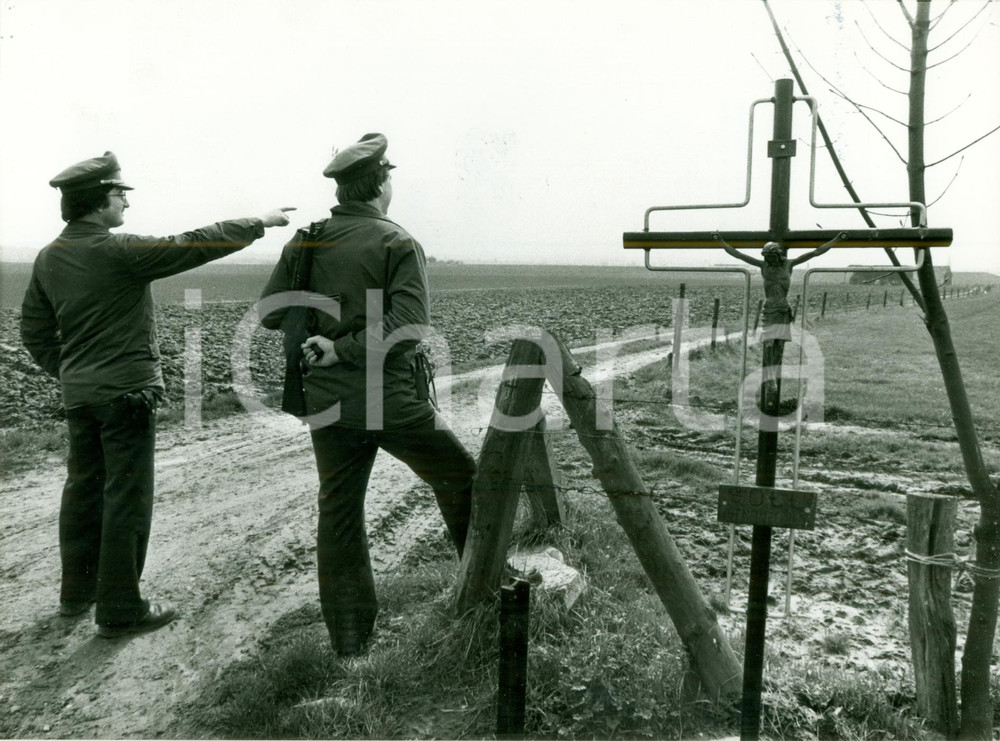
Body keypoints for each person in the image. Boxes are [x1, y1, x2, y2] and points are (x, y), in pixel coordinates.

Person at [20, 151, 295, 639]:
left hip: (80, 396)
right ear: (98, 201)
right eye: (119, 193)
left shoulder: (48, 258)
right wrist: (258, 221)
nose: (125, 200)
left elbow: (36, 331)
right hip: (126, 394)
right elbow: (192, 245)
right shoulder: (118, 250)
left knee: (83, 491)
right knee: (126, 496)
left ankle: (77, 594)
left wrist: (70, 372)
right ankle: (121, 608)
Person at [258, 133, 476, 656]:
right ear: (380, 183)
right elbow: (411, 325)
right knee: (465, 480)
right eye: (390, 177)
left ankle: (352, 644)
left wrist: (321, 324)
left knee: (340, 511)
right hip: (390, 400)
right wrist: (345, 346)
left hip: (329, 404)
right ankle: (485, 595)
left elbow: (269, 313)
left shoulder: (306, 240)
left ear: (342, 188)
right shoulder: (395, 242)